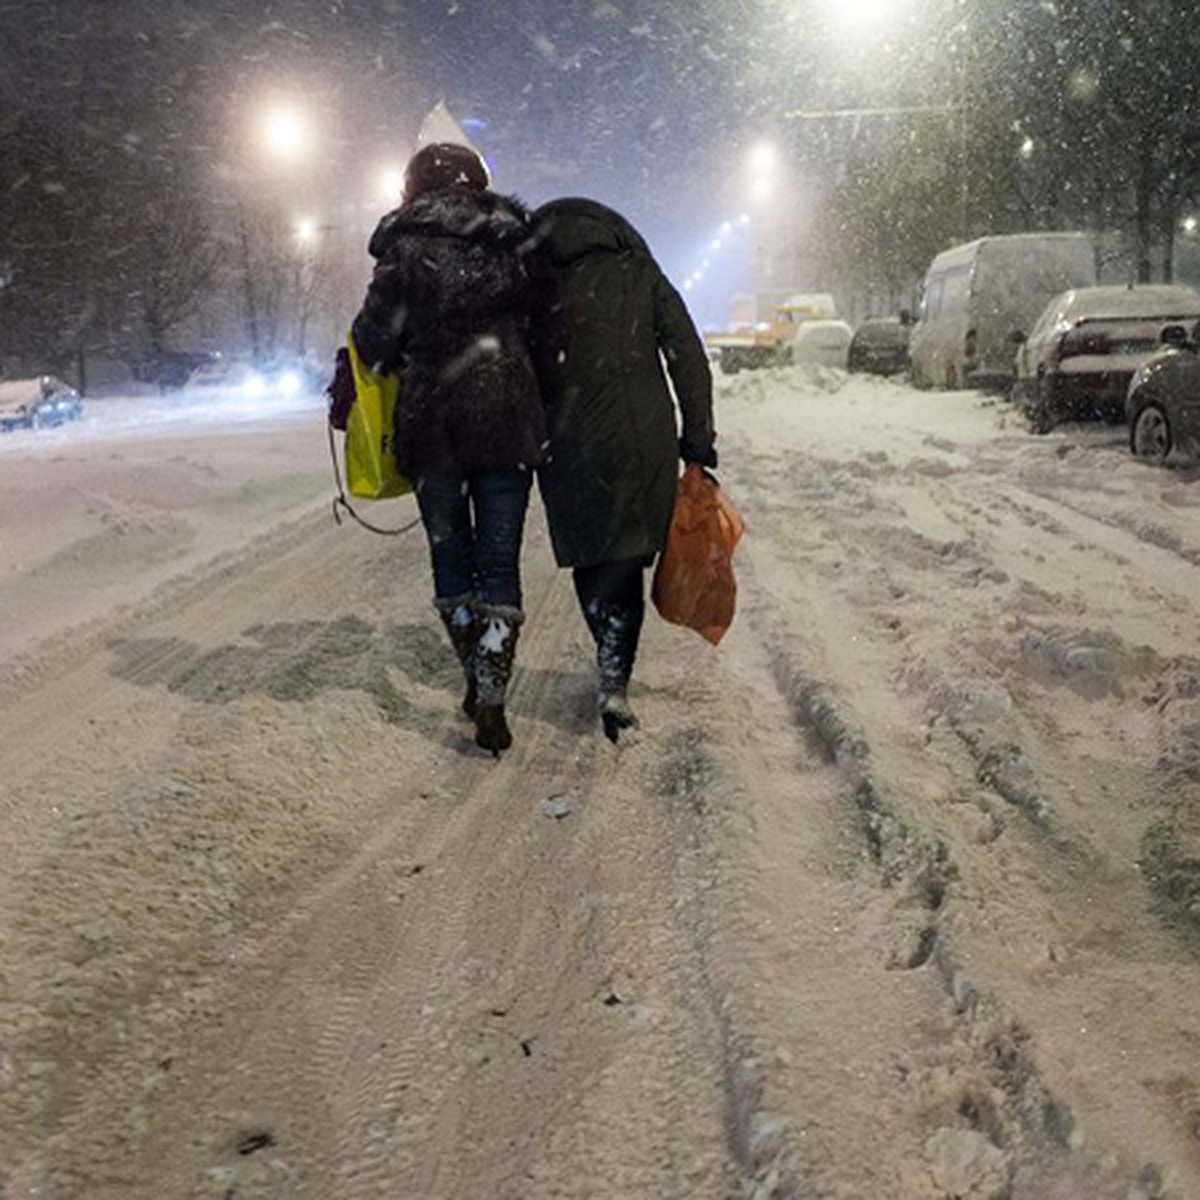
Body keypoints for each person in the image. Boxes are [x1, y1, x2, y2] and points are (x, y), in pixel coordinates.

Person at [347, 142, 546, 756]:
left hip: (433, 425)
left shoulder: (404, 250)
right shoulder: (515, 245)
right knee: (500, 562)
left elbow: (373, 342)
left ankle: (473, 673)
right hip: (507, 417)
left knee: (451, 559)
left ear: (412, 190)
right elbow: (545, 326)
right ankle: (492, 689)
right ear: (480, 185)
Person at [528, 197, 717, 742]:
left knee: (594, 556)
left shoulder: (533, 283)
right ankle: (614, 675)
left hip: (565, 442)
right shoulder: (638, 270)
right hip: (642, 438)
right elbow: (687, 353)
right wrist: (697, 442)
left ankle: (609, 655)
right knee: (627, 556)